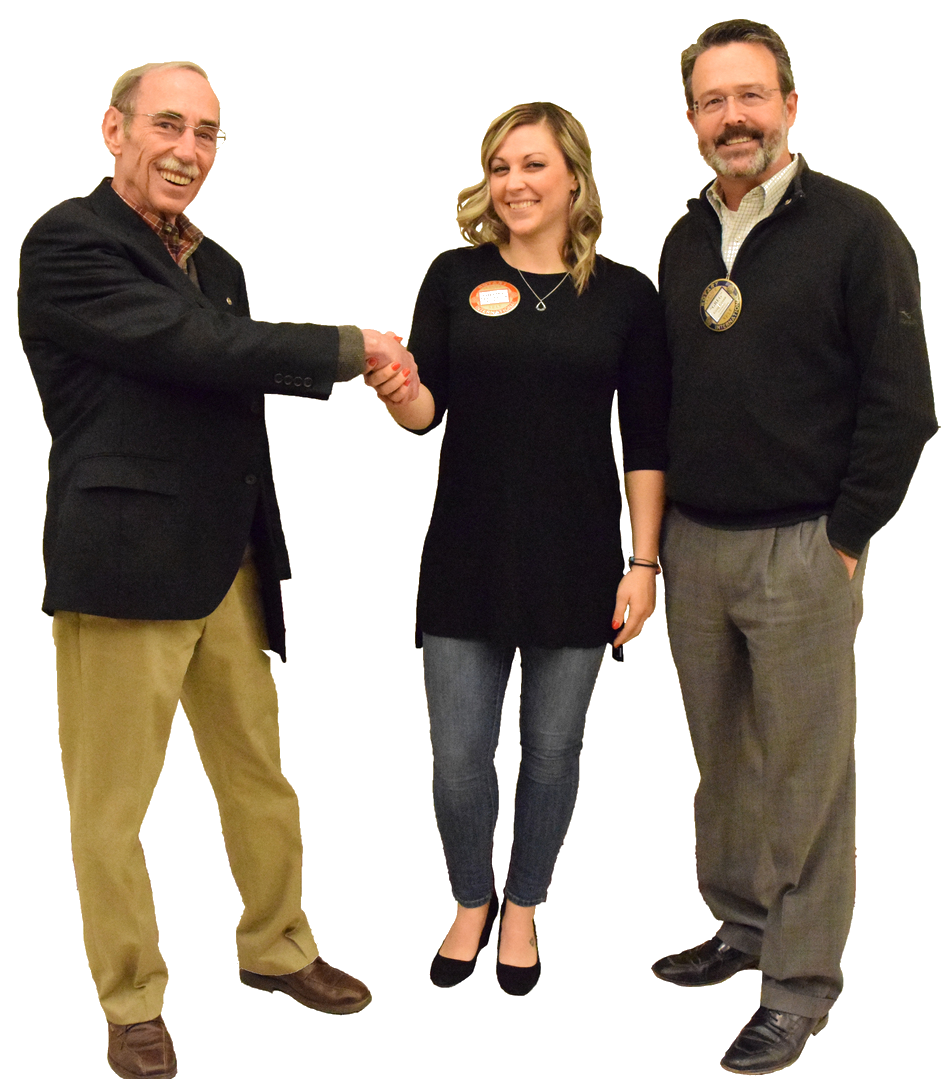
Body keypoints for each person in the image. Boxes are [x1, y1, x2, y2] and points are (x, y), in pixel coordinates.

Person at [18, 61, 421, 1079]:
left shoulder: (223, 263)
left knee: (259, 777)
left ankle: (277, 947)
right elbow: (193, 346)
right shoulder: (68, 242)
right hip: (124, 564)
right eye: (168, 125)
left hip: (229, 563)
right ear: (114, 129)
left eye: (206, 133)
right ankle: (131, 999)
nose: (188, 149)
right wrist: (351, 348)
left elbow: (226, 374)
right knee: (111, 804)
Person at [651, 19, 937, 1073]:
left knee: (806, 772)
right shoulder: (684, 237)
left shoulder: (857, 227)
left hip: (803, 547)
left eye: (750, 96)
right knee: (723, 756)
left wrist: (846, 534)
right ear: (692, 120)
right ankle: (740, 923)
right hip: (696, 544)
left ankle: (800, 984)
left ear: (788, 105)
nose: (733, 118)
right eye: (711, 102)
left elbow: (903, 405)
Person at [365, 101, 670, 996]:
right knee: (459, 759)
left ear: (574, 178)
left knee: (553, 751)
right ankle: (470, 900)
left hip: (580, 561)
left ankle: (524, 909)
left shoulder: (626, 294)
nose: (513, 183)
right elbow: (425, 412)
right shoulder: (452, 274)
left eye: (532, 164)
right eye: (499, 167)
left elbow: (647, 440)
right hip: (466, 554)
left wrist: (643, 562)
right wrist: (396, 388)